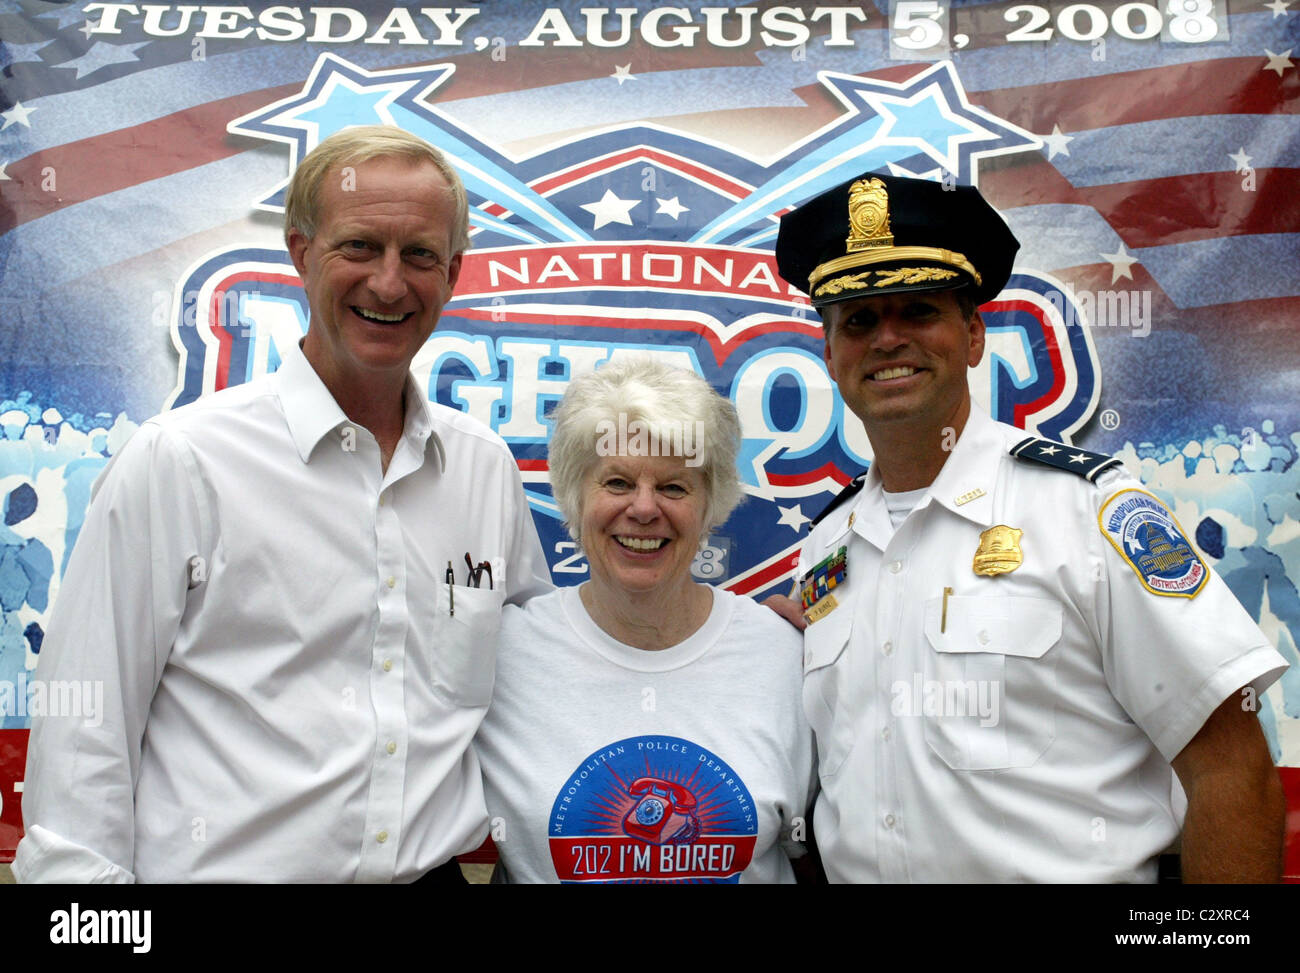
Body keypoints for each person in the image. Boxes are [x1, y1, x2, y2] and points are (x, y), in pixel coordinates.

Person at [14, 125, 552, 883]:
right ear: (302, 253)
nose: (390, 284)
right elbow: (84, 731)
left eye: (420, 255)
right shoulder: (183, 460)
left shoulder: (482, 469)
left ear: (454, 271)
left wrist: (748, 631)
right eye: (360, 246)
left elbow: (547, 664)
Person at [773, 171, 1289, 883]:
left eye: (918, 311)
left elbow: (1231, 767)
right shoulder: (826, 548)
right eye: (858, 320)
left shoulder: (1087, 509)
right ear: (830, 355)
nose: (887, 339)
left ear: (975, 334)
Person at [473, 358, 815, 883]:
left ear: (711, 505)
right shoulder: (500, 654)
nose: (644, 508)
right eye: (616, 482)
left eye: (675, 488)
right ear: (574, 495)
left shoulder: (786, 655)